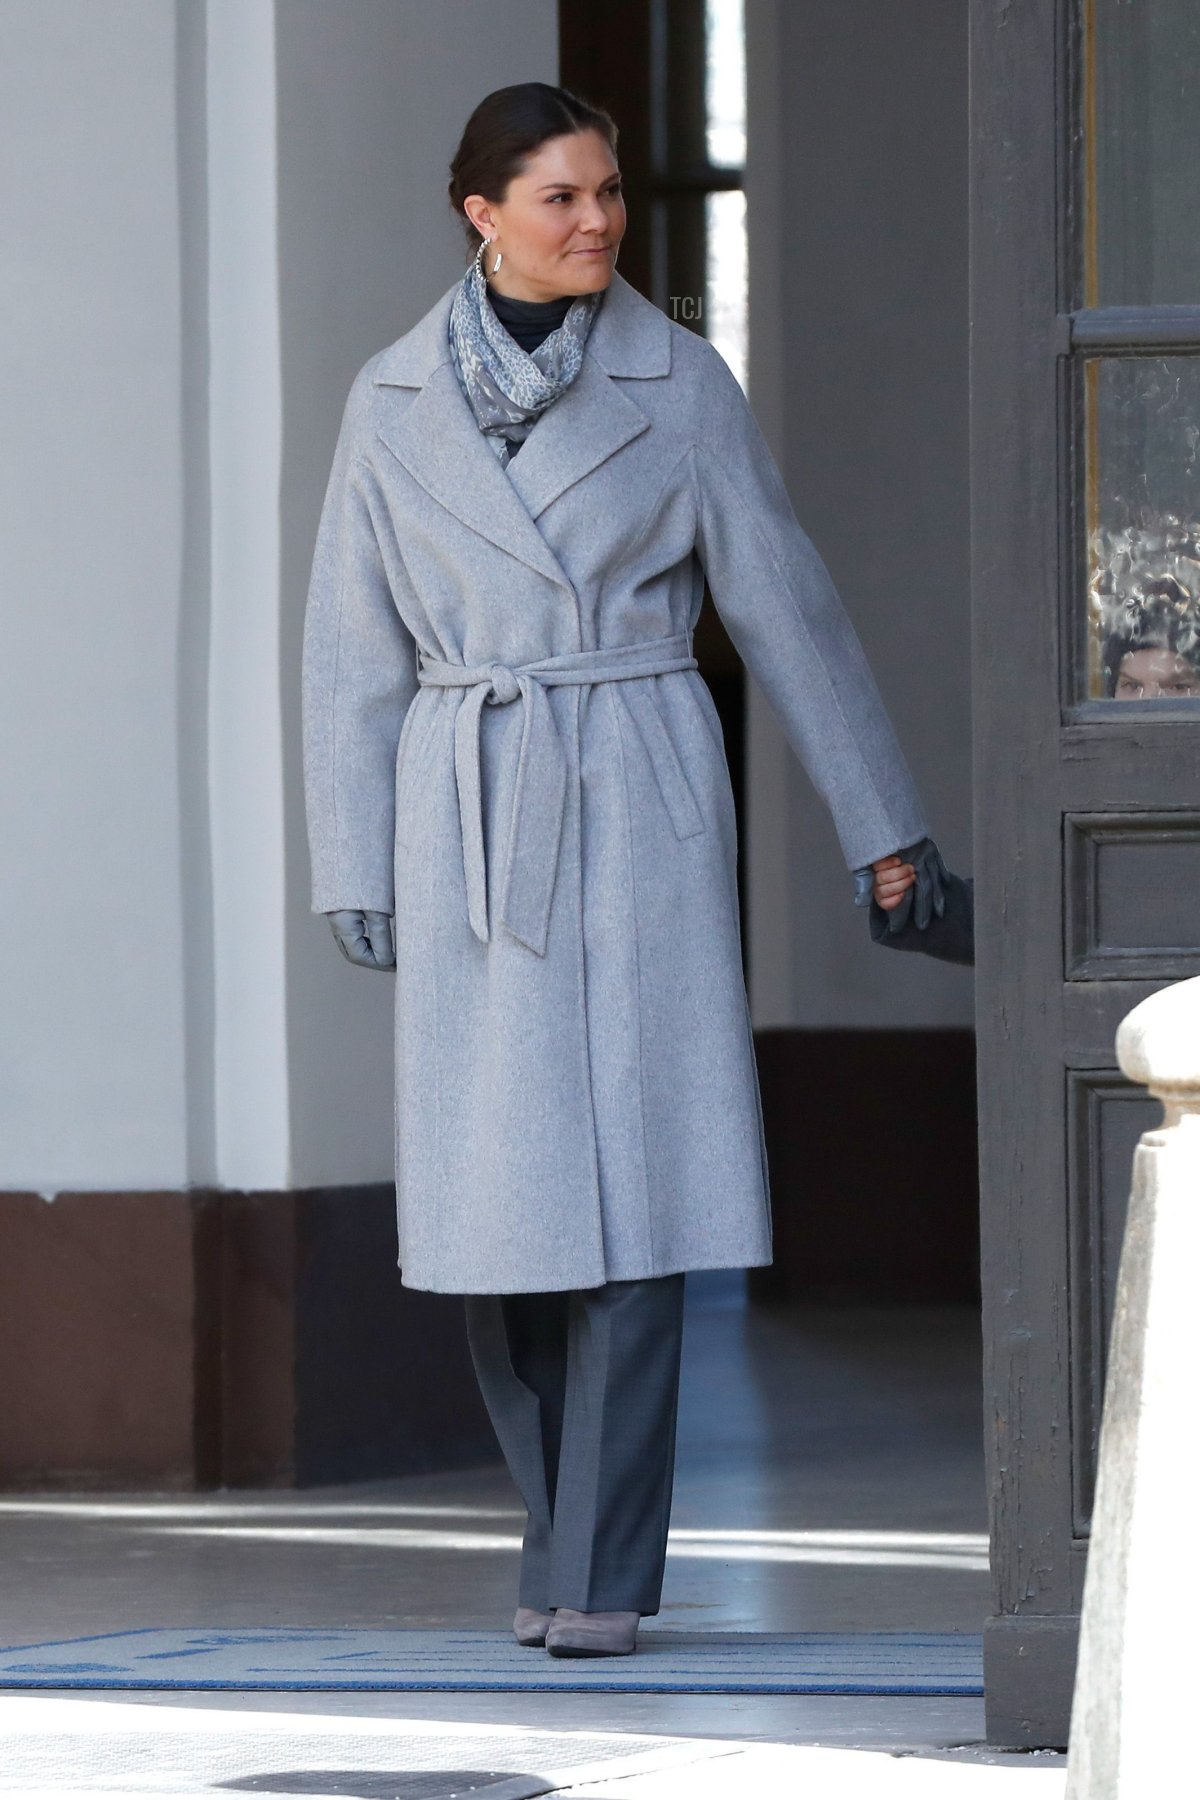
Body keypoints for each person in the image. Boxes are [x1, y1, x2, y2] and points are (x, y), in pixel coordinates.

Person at [300, 82, 960, 1659]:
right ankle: (555, 1534)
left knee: (638, 1201)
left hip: (639, 787)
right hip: (468, 807)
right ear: (483, 214)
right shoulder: (389, 400)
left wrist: (887, 828)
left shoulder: (680, 383)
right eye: (564, 199)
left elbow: (787, 609)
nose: (600, 222)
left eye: (610, 194)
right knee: (493, 1217)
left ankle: (598, 1571)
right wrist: (351, 854)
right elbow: (348, 645)